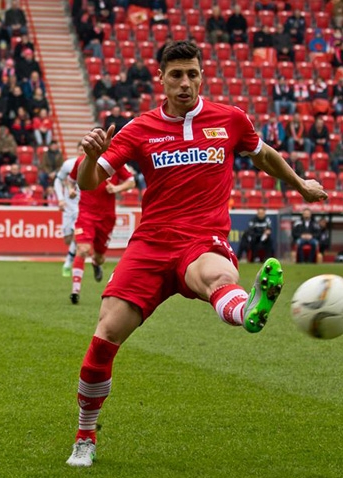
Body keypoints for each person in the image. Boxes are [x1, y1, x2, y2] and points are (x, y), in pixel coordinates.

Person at [66, 41, 327, 468]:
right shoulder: (138, 129)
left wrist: (299, 185)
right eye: (176, 75)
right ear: (162, 79)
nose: (185, 83)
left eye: (192, 74)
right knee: (105, 335)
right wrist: (92, 159)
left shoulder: (229, 119)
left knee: (218, 277)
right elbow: (92, 184)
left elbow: (264, 156)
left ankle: (249, 310)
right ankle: (85, 436)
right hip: (150, 246)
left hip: (201, 239)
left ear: (202, 75)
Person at [59, 147, 135, 304]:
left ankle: (96, 263)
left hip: (106, 217)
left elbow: (131, 181)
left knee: (100, 257)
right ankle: (75, 290)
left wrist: (116, 188)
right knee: (83, 249)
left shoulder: (115, 161)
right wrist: (71, 190)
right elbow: (70, 180)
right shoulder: (82, 161)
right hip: (86, 214)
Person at [53, 149, 82, 277]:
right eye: (81, 149)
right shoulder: (69, 164)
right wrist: (60, 199)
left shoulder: (93, 165)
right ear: (78, 150)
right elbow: (58, 181)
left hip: (82, 206)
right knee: (68, 239)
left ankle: (68, 263)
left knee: (77, 235)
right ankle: (72, 256)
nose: (83, 151)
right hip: (68, 207)